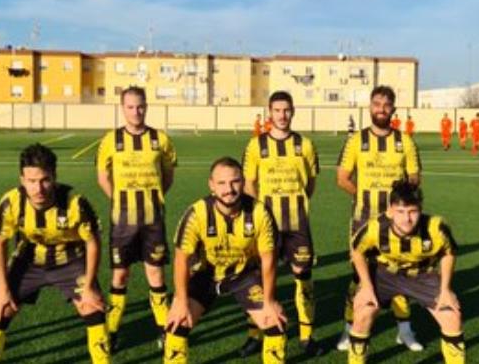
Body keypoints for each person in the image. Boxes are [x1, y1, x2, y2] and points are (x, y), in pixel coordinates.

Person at [0, 144, 109, 363]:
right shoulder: (11, 202)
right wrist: (2, 289)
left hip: (70, 260)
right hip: (29, 260)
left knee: (92, 308)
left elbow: (93, 243)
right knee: (0, 310)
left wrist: (89, 287)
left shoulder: (75, 202)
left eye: (45, 180)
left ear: (54, 177)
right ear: (21, 179)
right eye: (31, 181)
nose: (38, 188)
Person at [163, 157, 286, 363]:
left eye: (235, 181)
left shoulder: (259, 212)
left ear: (243, 182)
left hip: (244, 275)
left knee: (275, 324)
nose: (229, 189)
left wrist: (270, 301)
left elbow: (269, 260)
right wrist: (181, 301)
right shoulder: (197, 213)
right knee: (177, 323)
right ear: (211, 185)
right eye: (221, 183)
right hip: (206, 275)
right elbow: (181, 261)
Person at [336, 85, 424, 352]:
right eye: (377, 104)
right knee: (357, 277)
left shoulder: (405, 140)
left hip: (396, 224)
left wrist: (400, 207)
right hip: (363, 218)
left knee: (399, 271)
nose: (381, 109)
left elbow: (414, 179)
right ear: (370, 107)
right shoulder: (355, 140)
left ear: (393, 109)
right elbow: (342, 178)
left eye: (386, 105)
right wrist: (361, 196)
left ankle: (405, 331)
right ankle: (349, 330)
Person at [238, 91, 324, 356]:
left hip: (297, 223)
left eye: (286, 110)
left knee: (303, 278)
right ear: (269, 112)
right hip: (266, 225)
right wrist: (257, 215)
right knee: (257, 279)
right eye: (277, 110)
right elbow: (249, 184)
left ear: (293, 111)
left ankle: (307, 337)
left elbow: (310, 183)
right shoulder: (255, 146)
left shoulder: (306, 145)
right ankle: (255, 333)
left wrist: (297, 202)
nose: (282, 115)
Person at [347, 180, 464, 363]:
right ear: (391, 210)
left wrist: (445, 290)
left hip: (422, 275)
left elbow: (449, 253)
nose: (407, 219)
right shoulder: (376, 227)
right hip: (384, 274)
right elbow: (357, 252)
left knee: (451, 315)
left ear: (421, 209)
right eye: (400, 212)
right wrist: (367, 287)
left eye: (412, 212)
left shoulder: (436, 227)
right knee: (364, 311)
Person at [95, 86, 177, 349]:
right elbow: (102, 177)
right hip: (123, 221)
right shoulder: (111, 140)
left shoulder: (160, 140)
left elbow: (168, 176)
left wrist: (154, 198)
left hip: (153, 220)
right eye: (130, 106)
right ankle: (113, 330)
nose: (136, 111)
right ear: (122, 108)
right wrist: (119, 200)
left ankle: (164, 330)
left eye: (140, 106)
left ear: (146, 106)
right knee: (120, 276)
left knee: (156, 275)